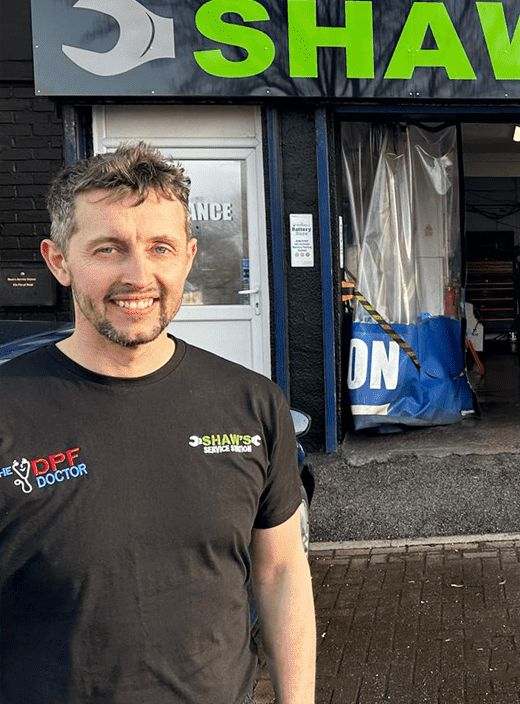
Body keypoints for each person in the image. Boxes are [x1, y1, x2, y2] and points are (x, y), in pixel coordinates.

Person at [0, 143, 316, 703]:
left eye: (160, 247)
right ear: (59, 261)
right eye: (109, 249)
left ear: (188, 257)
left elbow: (281, 572)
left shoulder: (254, 404)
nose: (138, 275)